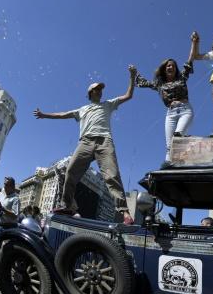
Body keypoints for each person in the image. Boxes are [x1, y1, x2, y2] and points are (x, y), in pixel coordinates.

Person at [33, 65, 137, 224]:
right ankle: (68, 206)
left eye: (101, 89)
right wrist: (44, 115)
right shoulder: (81, 110)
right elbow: (62, 114)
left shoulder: (108, 104)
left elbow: (128, 95)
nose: (100, 91)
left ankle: (125, 213)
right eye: (97, 89)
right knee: (70, 171)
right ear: (90, 93)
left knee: (112, 175)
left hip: (104, 141)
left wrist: (132, 76)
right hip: (85, 142)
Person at [135, 36, 196, 162]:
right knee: (169, 146)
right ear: (164, 69)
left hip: (185, 110)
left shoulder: (181, 78)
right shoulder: (159, 85)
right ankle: (168, 165)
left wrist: (194, 43)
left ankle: (185, 155)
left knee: (178, 136)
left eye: (173, 66)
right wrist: (133, 74)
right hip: (170, 113)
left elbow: (189, 61)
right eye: (168, 66)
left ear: (176, 69)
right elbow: (142, 82)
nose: (170, 67)